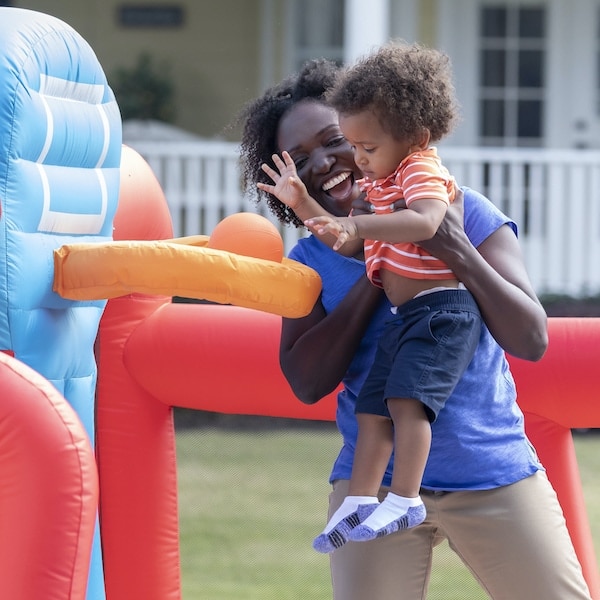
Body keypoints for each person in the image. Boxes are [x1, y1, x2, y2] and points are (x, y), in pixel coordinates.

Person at [236, 58, 592, 599]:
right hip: (371, 485)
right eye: (300, 159)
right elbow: (307, 380)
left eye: (337, 140)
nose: (330, 162)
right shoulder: (309, 259)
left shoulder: (460, 208)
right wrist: (377, 274)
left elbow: (531, 338)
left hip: (490, 470)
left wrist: (454, 248)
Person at [259, 42, 483, 553]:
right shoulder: (375, 196)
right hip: (408, 320)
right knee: (372, 407)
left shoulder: (422, 173)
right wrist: (302, 201)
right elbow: (346, 238)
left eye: (357, 144)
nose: (353, 159)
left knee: (406, 404)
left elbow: (424, 223)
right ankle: (361, 499)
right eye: (354, 146)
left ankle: (405, 498)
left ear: (409, 134)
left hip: (438, 313)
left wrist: (364, 224)